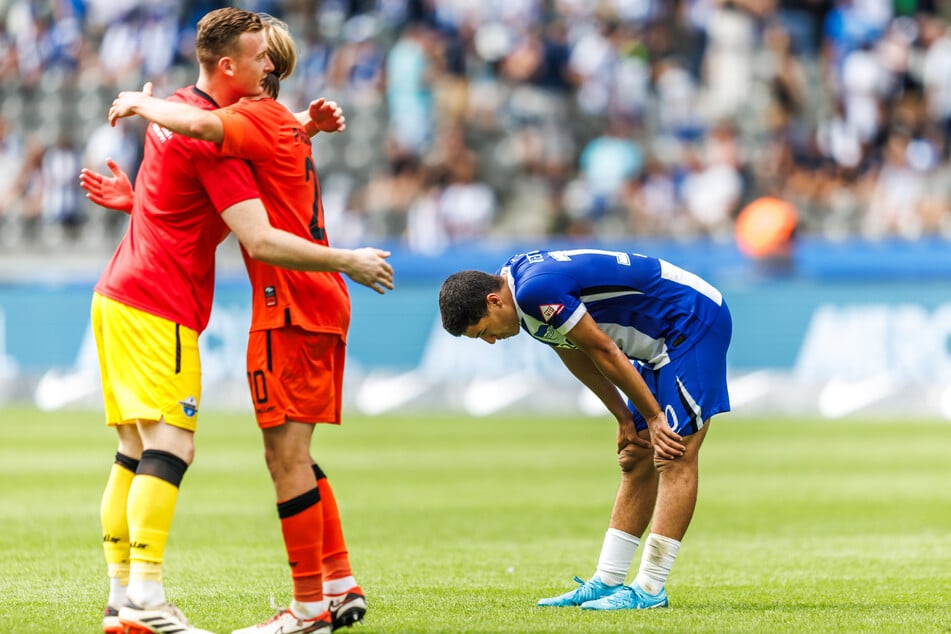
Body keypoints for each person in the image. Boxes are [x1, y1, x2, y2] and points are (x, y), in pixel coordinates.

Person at [80, 9, 393, 634]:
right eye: (263, 58)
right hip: (167, 302)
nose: (270, 68)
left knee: (149, 450)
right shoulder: (225, 130)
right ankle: (147, 600)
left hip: (123, 295)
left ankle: (133, 599)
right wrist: (346, 258)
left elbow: (209, 156)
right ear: (233, 67)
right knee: (187, 448)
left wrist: (140, 132)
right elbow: (247, 214)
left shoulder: (189, 115)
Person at [438, 248, 731, 610]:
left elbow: (605, 350)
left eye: (483, 332)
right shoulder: (519, 291)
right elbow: (574, 352)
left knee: (674, 454)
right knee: (635, 456)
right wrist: (625, 418)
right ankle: (608, 580)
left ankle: (651, 589)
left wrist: (655, 417)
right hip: (660, 341)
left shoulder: (534, 292)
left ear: (494, 301)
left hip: (691, 322)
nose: (491, 341)